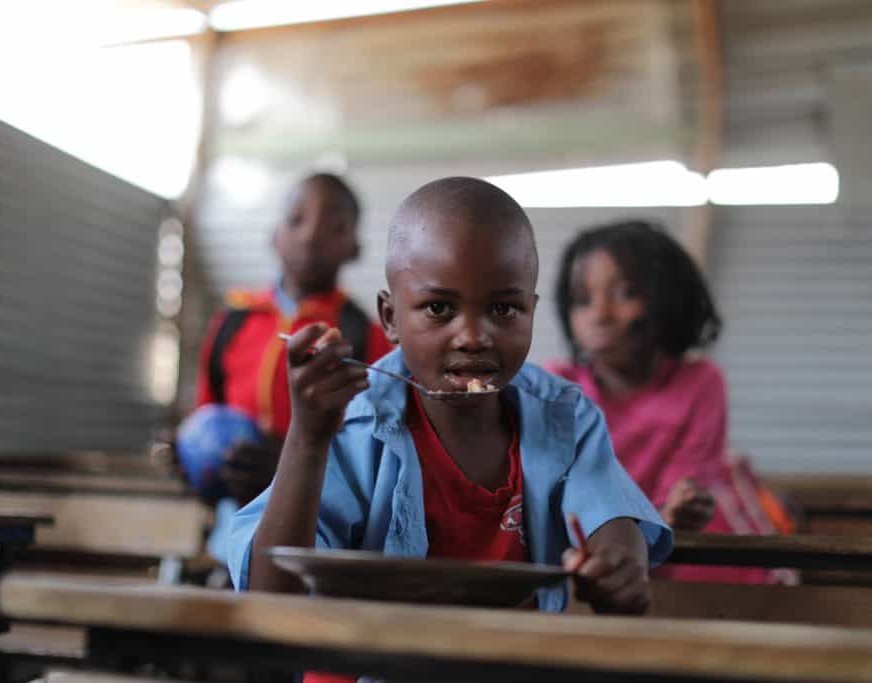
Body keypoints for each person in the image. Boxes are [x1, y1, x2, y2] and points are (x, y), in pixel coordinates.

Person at [228, 178, 671, 625]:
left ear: (531, 312)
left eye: (503, 310)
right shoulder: (352, 424)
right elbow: (271, 596)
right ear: (390, 318)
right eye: (439, 308)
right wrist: (307, 438)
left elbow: (612, 521)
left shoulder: (562, 417)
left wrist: (618, 565)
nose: (474, 337)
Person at [547, 220, 790, 583]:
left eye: (625, 293)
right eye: (582, 300)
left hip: (683, 552)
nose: (599, 314)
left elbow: (684, 491)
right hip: (593, 551)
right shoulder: (558, 385)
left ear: (667, 299)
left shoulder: (700, 382)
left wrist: (674, 512)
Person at [195, 172, 394, 506]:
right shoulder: (231, 322)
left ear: (355, 248)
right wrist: (189, 453)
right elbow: (205, 415)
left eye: (335, 227)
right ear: (274, 235)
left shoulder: (365, 337)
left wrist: (294, 462)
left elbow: (378, 447)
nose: (311, 236)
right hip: (230, 526)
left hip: (319, 520)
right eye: (296, 219)